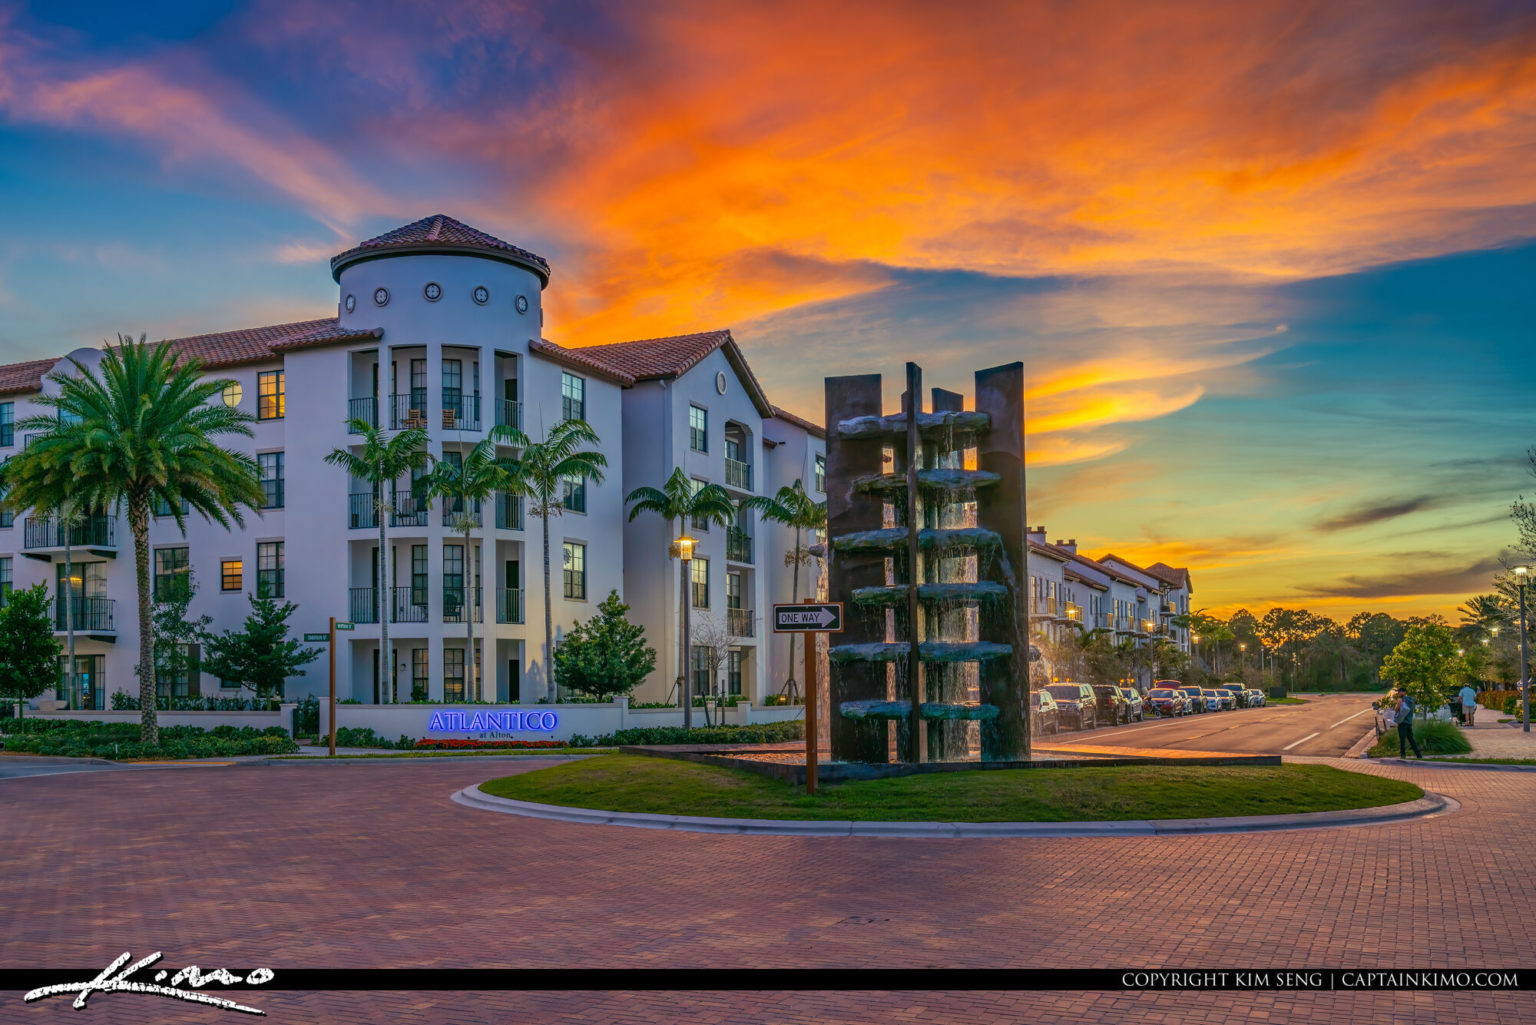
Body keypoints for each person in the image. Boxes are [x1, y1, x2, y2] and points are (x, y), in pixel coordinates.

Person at [1395, 688, 1423, 759]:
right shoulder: (1411, 700)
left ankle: (1403, 754)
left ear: (1404, 692)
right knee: (1411, 739)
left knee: (1402, 739)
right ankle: (1418, 754)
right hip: (1409, 722)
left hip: (1402, 722)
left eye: (1399, 692)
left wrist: (1396, 708)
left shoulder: (1401, 699)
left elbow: (1397, 709)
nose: (1398, 693)